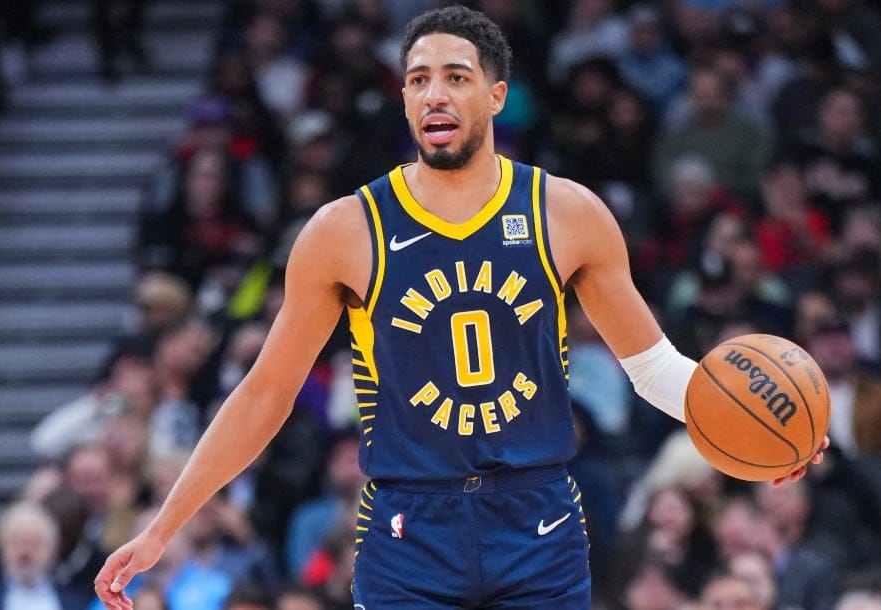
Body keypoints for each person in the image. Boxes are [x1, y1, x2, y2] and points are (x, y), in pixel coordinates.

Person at [94, 6, 827, 609]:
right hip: (411, 527)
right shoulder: (345, 230)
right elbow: (264, 395)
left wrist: (771, 435)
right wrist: (163, 528)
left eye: (455, 77)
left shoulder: (564, 213)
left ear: (496, 94)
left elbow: (655, 369)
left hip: (537, 519)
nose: (434, 94)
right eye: (418, 80)